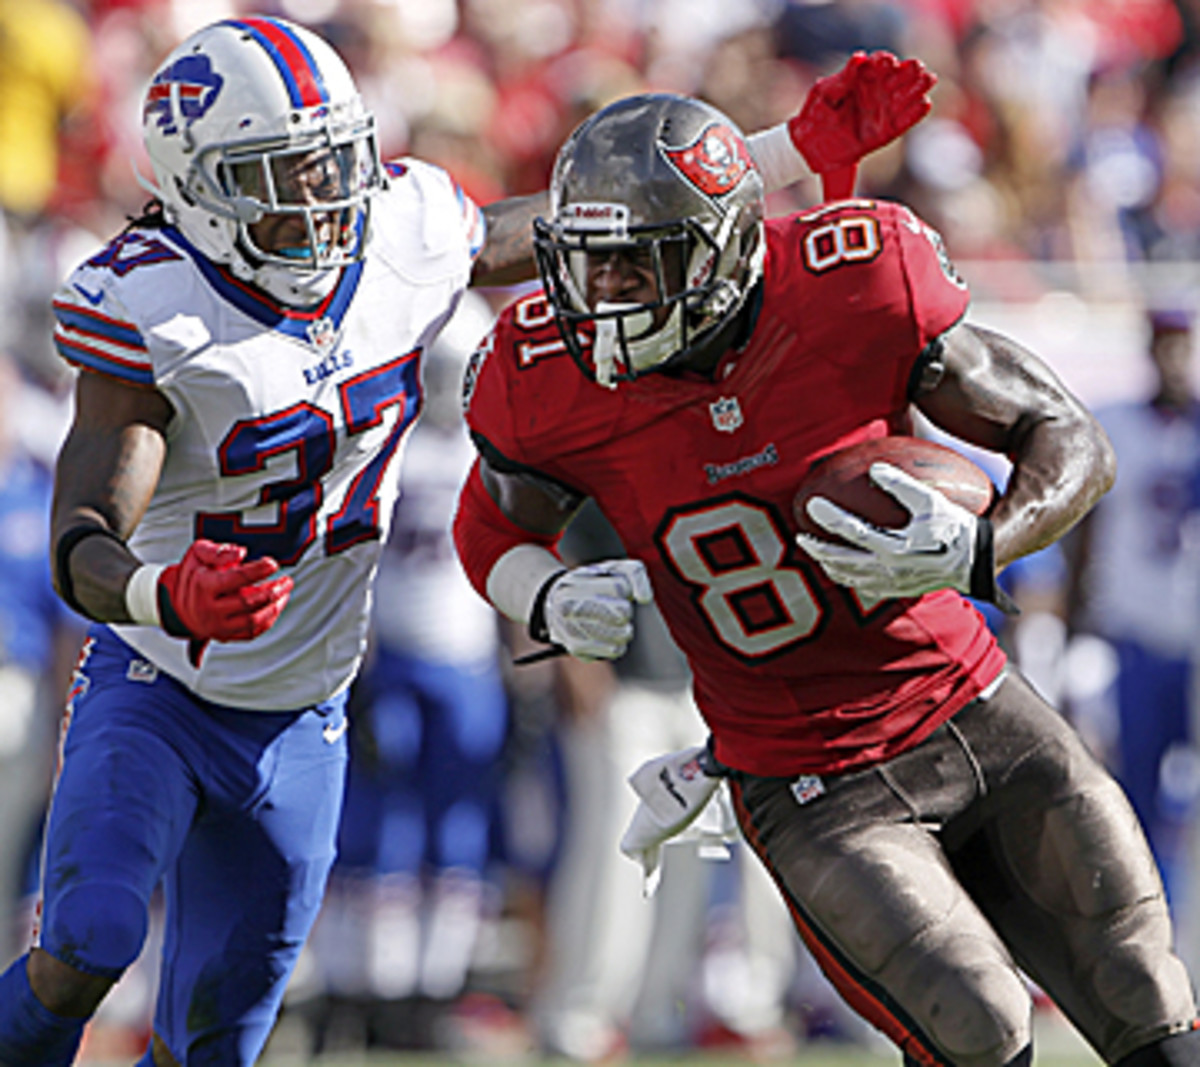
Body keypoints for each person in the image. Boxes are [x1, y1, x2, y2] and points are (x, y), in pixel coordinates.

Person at [0, 12, 935, 1062]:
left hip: (303, 706)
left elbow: (589, 222)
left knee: (221, 1037)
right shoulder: (153, 308)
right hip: (161, 686)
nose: (322, 197)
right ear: (202, 190)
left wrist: (786, 156)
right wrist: (163, 595)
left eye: (329, 163)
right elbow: (81, 534)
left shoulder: (401, 233)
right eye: (283, 174)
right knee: (91, 936)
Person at [451, 91, 1200, 1067]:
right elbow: (489, 525)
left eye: (645, 260)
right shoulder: (550, 371)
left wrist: (978, 545)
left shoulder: (857, 283)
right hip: (810, 775)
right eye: (594, 260)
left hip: (972, 701)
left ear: (725, 249)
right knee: (977, 1018)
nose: (610, 291)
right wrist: (540, 593)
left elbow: (1067, 438)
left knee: (1145, 988)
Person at [1065, 309, 1200, 914]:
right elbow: (1084, 533)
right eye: (1164, 346)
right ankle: (1156, 939)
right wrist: (1074, 628)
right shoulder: (1117, 423)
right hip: (1136, 635)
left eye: (1183, 346)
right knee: (1135, 800)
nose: (1173, 360)